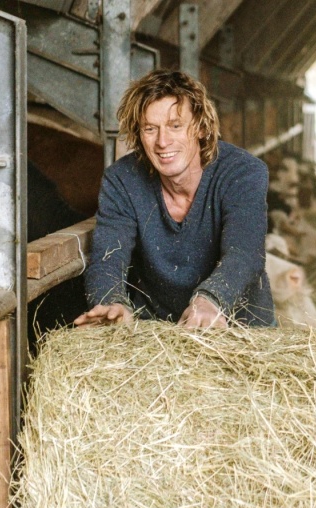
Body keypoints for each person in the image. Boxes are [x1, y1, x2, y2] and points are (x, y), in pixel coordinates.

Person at [74, 69, 274, 328]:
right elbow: (108, 256)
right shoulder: (122, 180)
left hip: (238, 326)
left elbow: (245, 252)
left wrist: (210, 300)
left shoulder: (242, 172)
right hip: (159, 332)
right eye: (150, 129)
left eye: (175, 126)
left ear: (201, 127)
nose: (162, 141)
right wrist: (111, 302)